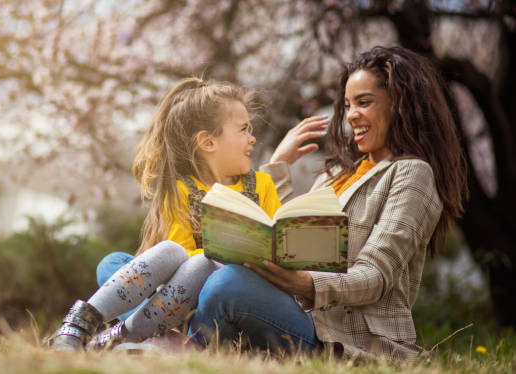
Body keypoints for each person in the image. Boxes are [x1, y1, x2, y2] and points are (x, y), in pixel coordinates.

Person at [188, 46, 468, 362]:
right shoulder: (337, 173)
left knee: (227, 284)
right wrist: (279, 164)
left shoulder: (412, 173)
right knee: (133, 261)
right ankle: (155, 343)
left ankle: (175, 353)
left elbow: (375, 276)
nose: (351, 115)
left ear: (401, 105)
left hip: (342, 337)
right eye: (348, 105)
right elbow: (288, 230)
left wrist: (308, 285)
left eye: (364, 103)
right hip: (297, 312)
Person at [46, 77, 281, 351]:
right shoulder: (181, 190)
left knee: (204, 264)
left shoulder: (262, 185)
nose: (252, 137)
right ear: (208, 142)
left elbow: (275, 242)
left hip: (226, 297)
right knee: (116, 263)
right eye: (243, 130)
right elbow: (179, 256)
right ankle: (77, 328)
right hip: (179, 297)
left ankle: (131, 336)